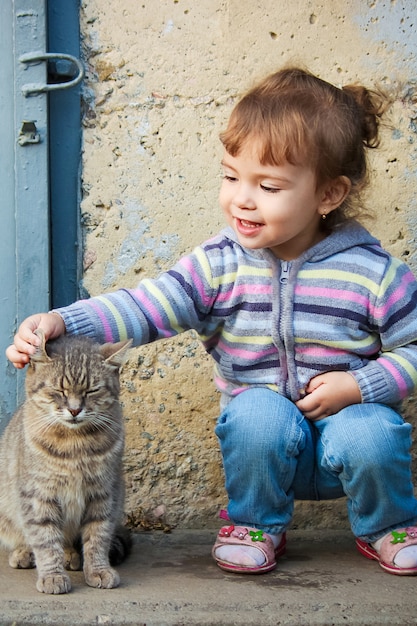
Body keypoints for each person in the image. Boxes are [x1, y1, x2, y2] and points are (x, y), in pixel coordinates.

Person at [7, 66, 417, 576]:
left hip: (349, 434)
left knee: (371, 430)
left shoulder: (374, 274)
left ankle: (389, 526)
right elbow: (144, 306)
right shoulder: (218, 265)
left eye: (267, 185)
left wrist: (362, 384)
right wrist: (59, 321)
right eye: (230, 176)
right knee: (254, 413)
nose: (241, 198)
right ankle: (256, 524)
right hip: (264, 442)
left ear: (328, 195)